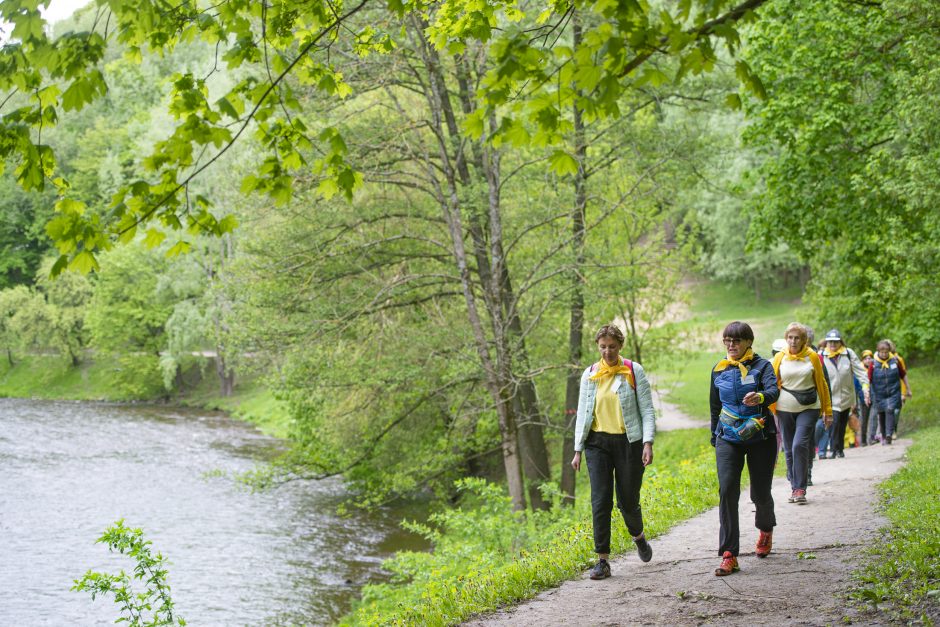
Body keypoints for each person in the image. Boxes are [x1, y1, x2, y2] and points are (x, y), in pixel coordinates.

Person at [571, 324, 656, 579]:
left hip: (628, 442)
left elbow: (647, 410)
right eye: (603, 347)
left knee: (627, 501)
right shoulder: (590, 374)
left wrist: (647, 442)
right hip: (597, 444)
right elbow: (582, 414)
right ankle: (602, 560)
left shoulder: (632, 370)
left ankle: (638, 536)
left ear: (620, 346)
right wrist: (578, 450)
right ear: (598, 347)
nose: (607, 352)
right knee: (600, 500)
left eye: (612, 347)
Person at [710, 322, 780, 576]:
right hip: (727, 437)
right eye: (727, 340)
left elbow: (773, 391)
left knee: (759, 493)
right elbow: (714, 407)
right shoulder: (718, 370)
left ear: (749, 342)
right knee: (727, 489)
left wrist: (760, 397)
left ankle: (765, 527)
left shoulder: (763, 366)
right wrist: (714, 436)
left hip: (760, 436)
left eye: (737, 341)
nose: (731, 345)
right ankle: (729, 554)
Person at [771, 322, 832, 504]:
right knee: (789, 449)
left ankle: (800, 488)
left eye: (797, 338)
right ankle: (794, 485)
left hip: (809, 407)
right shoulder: (780, 357)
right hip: (784, 409)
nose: (793, 341)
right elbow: (772, 384)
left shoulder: (812, 356)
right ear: (786, 339)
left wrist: (827, 411)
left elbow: (822, 383)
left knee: (799, 445)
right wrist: (767, 409)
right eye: (790, 337)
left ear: (804, 340)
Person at [819, 329, 869, 459]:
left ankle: (840, 449)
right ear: (826, 342)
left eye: (835, 342)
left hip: (847, 397)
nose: (833, 345)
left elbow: (860, 370)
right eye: (830, 342)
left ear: (840, 342)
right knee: (834, 424)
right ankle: (834, 450)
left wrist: (865, 386)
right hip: (831, 397)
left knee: (842, 424)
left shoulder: (848, 353)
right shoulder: (821, 355)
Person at [867, 340, 910, 445]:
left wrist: (908, 389)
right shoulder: (873, 363)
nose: (884, 354)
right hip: (879, 393)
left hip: (893, 391)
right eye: (882, 352)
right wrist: (867, 393)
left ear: (889, 351)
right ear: (878, 352)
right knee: (881, 413)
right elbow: (868, 379)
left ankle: (889, 435)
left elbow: (903, 375)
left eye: (886, 352)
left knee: (890, 410)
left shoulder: (895, 361)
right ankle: (884, 434)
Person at [858, 350, 877, 444]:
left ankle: (872, 438)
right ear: (862, 360)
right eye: (866, 358)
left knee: (873, 417)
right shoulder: (859, 369)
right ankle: (863, 440)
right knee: (864, 419)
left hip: (874, 395)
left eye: (870, 358)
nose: (868, 360)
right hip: (862, 397)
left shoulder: (875, 368)